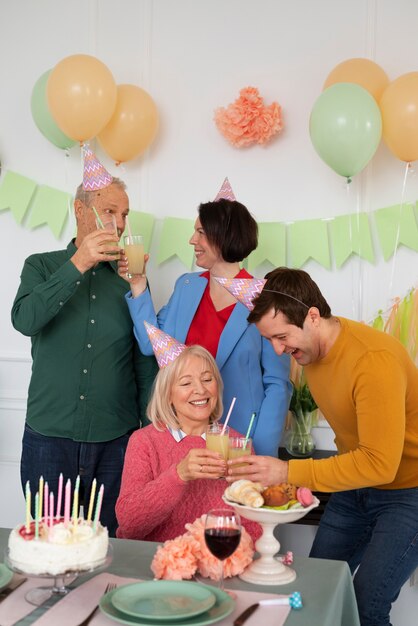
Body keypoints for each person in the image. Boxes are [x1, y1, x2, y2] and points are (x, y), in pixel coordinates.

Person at [222, 267, 418, 626]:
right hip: (354, 487)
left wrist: (287, 471)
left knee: (367, 605)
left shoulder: (372, 361)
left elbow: (380, 464)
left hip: (408, 491)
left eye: (281, 337)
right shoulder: (310, 351)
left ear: (312, 316)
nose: (278, 349)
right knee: (316, 590)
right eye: (270, 340)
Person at [11, 147, 158, 537]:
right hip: (48, 436)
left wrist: (146, 432)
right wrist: (78, 263)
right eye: (110, 211)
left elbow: (146, 359)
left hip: (116, 441)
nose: (120, 223)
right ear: (80, 210)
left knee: (109, 545)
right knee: (48, 544)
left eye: (124, 214)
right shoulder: (40, 266)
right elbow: (24, 320)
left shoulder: (131, 277)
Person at [118, 180, 292, 456]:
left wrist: (261, 451)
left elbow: (277, 385)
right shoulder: (187, 286)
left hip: (239, 440)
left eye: (200, 232)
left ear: (222, 236)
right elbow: (150, 345)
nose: (192, 240)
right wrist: (138, 285)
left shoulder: (265, 298)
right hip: (183, 436)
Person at [115, 325, 261, 543]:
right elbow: (129, 524)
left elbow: (253, 526)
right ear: (168, 395)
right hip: (159, 564)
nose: (200, 390)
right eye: (186, 383)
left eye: (207, 379)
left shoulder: (238, 443)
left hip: (218, 563)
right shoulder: (144, 442)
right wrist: (179, 475)